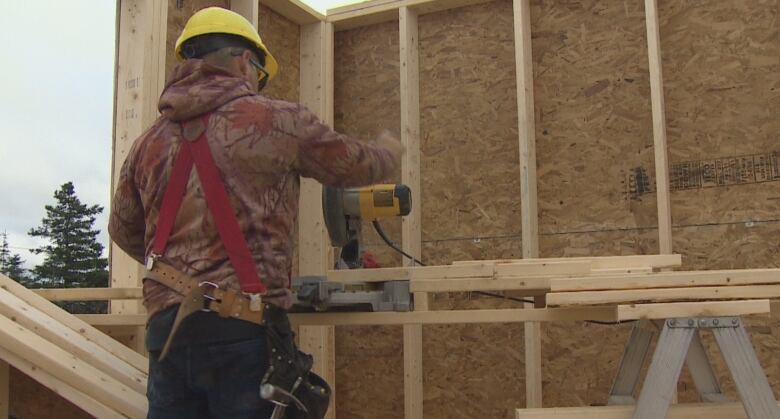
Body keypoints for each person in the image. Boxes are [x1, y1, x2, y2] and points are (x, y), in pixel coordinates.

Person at [108, 6, 403, 418]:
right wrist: (392, 150)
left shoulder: (147, 143)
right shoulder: (275, 121)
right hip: (241, 330)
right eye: (258, 72)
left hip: (169, 334)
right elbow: (351, 166)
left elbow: (122, 229)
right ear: (245, 60)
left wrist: (180, 269)